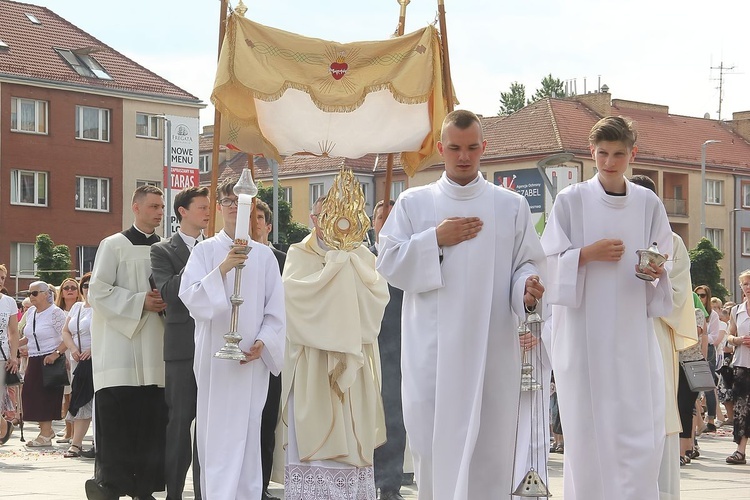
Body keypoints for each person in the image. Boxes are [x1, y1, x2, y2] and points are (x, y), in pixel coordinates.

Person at [377, 109, 546, 499]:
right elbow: (388, 262)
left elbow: (527, 263)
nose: (464, 156)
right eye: (454, 148)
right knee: (435, 448)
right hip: (433, 354)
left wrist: (526, 288)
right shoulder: (414, 203)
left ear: (484, 147)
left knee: (490, 450)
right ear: (441, 148)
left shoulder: (511, 206)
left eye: (472, 148)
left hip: (492, 349)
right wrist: (434, 238)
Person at [541, 116, 673, 499]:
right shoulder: (571, 201)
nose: (610, 162)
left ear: (633, 154)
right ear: (591, 152)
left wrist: (653, 269)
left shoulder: (648, 202)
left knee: (636, 427)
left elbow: (666, 257)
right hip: (584, 334)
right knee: (587, 429)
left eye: (618, 154)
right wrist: (585, 254)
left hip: (631, 331)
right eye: (602, 154)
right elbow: (547, 261)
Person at [179, 177, 285, 499]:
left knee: (249, 432)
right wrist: (224, 268)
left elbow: (276, 310)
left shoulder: (265, 257)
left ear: (251, 208)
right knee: (216, 434)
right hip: (216, 360)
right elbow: (191, 297)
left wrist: (263, 342)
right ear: (220, 207)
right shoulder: (206, 252)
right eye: (226, 202)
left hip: (250, 363)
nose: (231, 208)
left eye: (239, 203)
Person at [282, 188, 389, 500]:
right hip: (314, 367)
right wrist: (335, 269)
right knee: (316, 447)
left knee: (353, 443)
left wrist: (346, 265)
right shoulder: (299, 254)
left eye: (342, 215)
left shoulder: (364, 257)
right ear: (315, 220)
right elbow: (294, 302)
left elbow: (375, 306)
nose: (334, 222)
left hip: (353, 372)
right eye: (326, 215)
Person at [86, 184, 168, 500]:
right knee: (119, 421)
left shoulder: (167, 247)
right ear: (135, 208)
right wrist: (139, 302)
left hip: (156, 348)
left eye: (162, 207)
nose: (160, 212)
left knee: (151, 422)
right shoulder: (114, 245)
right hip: (120, 350)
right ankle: (111, 484)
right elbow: (97, 291)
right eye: (153, 206)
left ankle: (145, 487)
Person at [150, 186, 211, 500]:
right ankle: (174, 492)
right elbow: (169, 293)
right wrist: (198, 260)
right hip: (182, 349)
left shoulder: (214, 248)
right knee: (180, 422)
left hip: (213, 346)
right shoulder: (163, 250)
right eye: (201, 206)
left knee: (209, 424)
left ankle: (204, 492)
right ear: (183, 211)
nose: (207, 211)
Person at [370, 199, 407, 500]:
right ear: (372, 223)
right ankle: (363, 479)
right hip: (365, 348)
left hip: (397, 346)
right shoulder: (360, 258)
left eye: (391, 216)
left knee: (393, 417)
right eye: (380, 216)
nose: (385, 221)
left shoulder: (405, 259)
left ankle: (390, 483)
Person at [254, 199, 285, 500]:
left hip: (271, 352)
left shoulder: (282, 259)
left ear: (269, 226)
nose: (255, 222)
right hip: (238, 353)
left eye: (260, 217)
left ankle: (261, 486)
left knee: (266, 422)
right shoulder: (231, 256)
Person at [21, 281, 68, 447]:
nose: (31, 297)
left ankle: (46, 434)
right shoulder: (32, 312)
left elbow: (67, 337)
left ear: (45, 294)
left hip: (50, 358)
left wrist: (56, 354)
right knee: (30, 394)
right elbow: (29, 336)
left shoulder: (55, 313)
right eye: (29, 293)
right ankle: (46, 431)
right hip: (34, 357)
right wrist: (12, 345)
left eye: (34, 293)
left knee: (45, 396)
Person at [59, 273, 94, 458]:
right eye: (85, 285)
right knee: (79, 399)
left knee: (94, 400)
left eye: (91, 284)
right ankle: (76, 443)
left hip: (96, 360)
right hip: (77, 360)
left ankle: (97, 442)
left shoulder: (101, 308)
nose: (87, 288)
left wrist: (93, 350)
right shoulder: (77, 308)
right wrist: (72, 348)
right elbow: (65, 331)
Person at [725, 270, 750, 465]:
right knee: (741, 408)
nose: (748, 287)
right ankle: (740, 451)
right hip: (742, 364)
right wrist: (739, 340)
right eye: (745, 284)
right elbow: (729, 336)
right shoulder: (737, 311)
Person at [55, 276, 82, 444]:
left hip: (74, 353)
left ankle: (74, 432)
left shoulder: (83, 310)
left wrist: (60, 352)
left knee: (74, 394)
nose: (70, 290)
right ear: (62, 293)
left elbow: (71, 335)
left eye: (74, 287)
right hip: (61, 356)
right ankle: (68, 429)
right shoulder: (58, 312)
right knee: (66, 396)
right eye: (67, 288)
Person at [695, 285, 720, 433]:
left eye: (703, 295)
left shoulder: (712, 315)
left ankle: (711, 419)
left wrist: (702, 336)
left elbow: (715, 336)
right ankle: (699, 418)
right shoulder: (693, 312)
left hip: (708, 349)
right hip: (694, 348)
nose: (700, 298)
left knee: (709, 386)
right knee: (695, 386)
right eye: (697, 295)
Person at [0, 264, 20, 444]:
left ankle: (3, 427)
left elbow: (13, 332)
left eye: (2, 278)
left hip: (2, 356)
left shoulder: (8, 302)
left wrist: (13, 357)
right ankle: (3, 426)